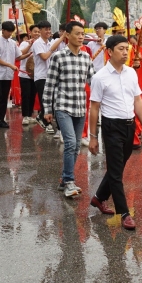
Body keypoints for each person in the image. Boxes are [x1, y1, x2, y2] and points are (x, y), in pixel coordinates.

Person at [88, 34, 142, 230]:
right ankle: (124, 213)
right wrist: (92, 137)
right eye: (121, 49)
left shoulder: (131, 73)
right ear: (109, 52)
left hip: (129, 125)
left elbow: (138, 100)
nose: (125, 52)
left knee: (117, 168)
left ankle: (99, 198)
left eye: (127, 49)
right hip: (111, 126)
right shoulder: (100, 77)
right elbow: (94, 108)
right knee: (116, 172)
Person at [42, 20, 94, 197]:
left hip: (80, 106)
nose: (81, 37)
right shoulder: (59, 56)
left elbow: (93, 81)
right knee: (70, 142)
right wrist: (47, 109)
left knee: (77, 145)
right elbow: (50, 84)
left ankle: (64, 179)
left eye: (83, 34)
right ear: (67, 35)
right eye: (78, 34)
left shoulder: (86, 57)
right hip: (63, 106)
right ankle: (70, 182)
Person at [32, 20, 65, 134]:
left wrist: (63, 37)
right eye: (45, 29)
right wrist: (52, 49)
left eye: (49, 29)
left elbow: (57, 49)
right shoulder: (37, 43)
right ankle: (47, 123)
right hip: (41, 76)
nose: (48, 31)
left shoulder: (50, 42)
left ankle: (43, 118)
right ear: (40, 30)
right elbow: (45, 57)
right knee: (44, 100)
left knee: (51, 101)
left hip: (51, 76)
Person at [0, 21, 22, 129]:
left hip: (8, 75)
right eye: (8, 32)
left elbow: (19, 56)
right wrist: (10, 65)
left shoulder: (13, 43)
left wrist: (30, 52)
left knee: (4, 97)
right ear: (3, 30)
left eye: (12, 32)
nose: (10, 34)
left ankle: (1, 119)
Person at [18, 25, 39, 124]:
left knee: (32, 95)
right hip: (25, 73)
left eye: (39, 32)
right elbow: (19, 55)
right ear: (30, 32)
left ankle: (30, 115)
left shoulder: (41, 44)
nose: (37, 34)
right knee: (25, 95)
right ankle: (25, 116)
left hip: (36, 74)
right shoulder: (24, 43)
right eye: (35, 32)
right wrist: (30, 45)